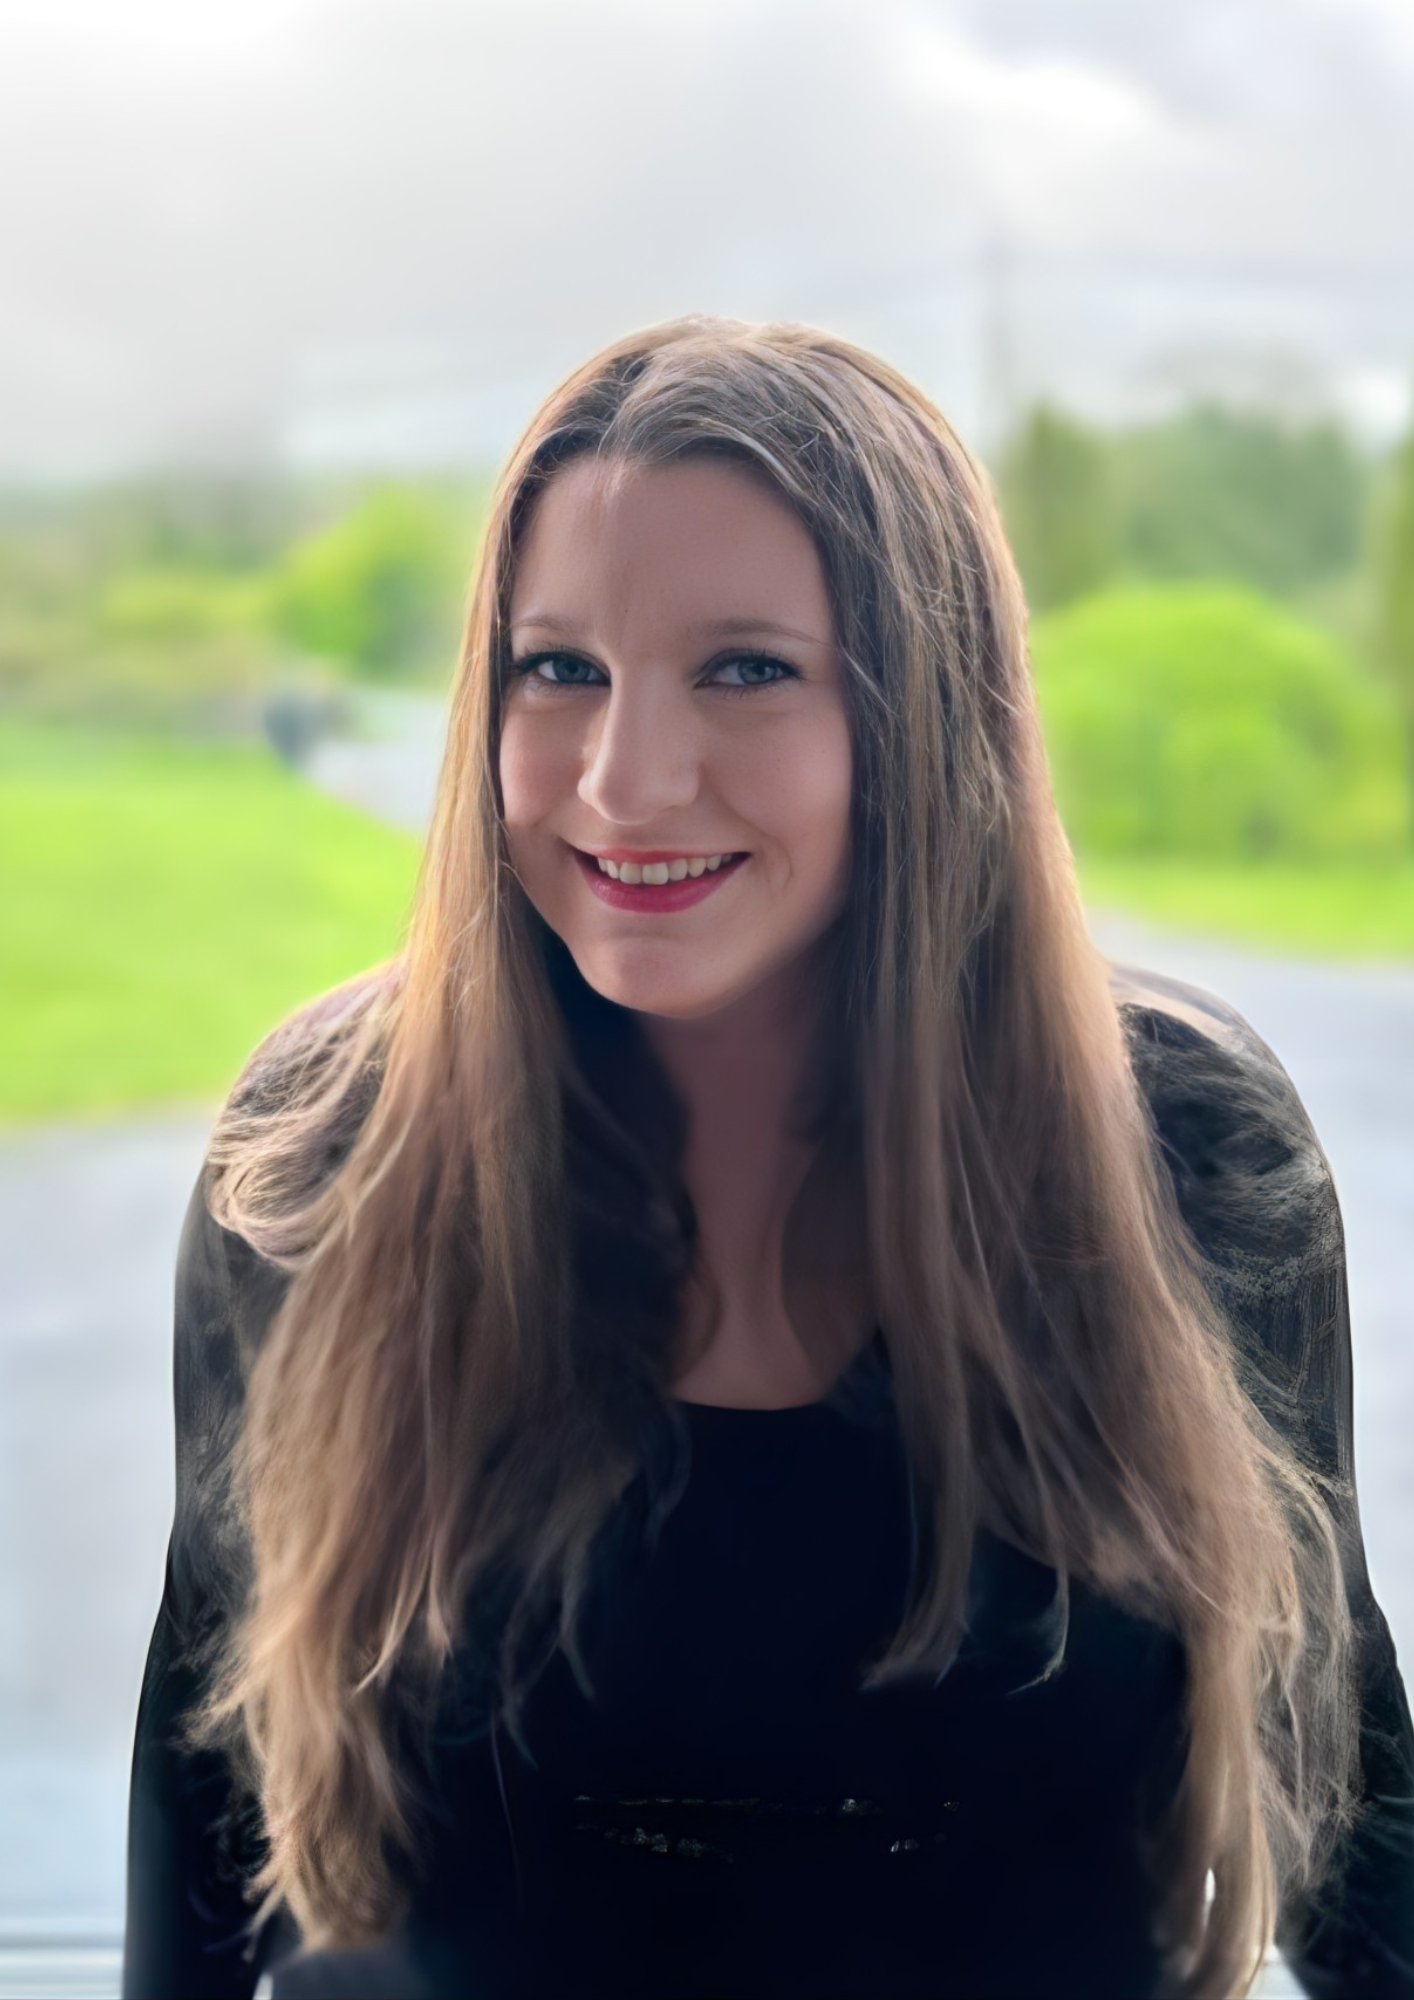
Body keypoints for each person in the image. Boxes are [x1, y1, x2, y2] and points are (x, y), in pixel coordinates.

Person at [121, 317, 1414, 2000]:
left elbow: (1337, 1782)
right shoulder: (315, 1161)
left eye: (743, 669)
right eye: (556, 669)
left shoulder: (1191, 1148)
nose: (623, 779)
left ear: (925, 714)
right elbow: (209, 1790)